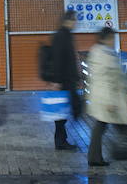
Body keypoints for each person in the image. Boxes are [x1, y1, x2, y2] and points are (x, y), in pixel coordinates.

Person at [86, 26, 127, 167]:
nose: (113, 41)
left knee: (113, 126)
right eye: (112, 38)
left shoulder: (102, 52)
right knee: (110, 126)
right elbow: (105, 80)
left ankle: (97, 157)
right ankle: (99, 157)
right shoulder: (101, 54)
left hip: (109, 98)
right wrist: (109, 101)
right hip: (107, 99)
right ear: (106, 38)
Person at [51, 10, 81, 150]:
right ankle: (60, 141)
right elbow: (57, 59)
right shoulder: (60, 36)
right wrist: (56, 81)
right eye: (74, 20)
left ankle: (61, 141)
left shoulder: (67, 35)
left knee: (64, 112)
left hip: (69, 80)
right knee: (63, 112)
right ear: (68, 20)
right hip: (63, 81)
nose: (76, 22)